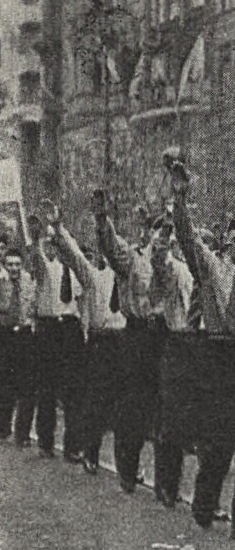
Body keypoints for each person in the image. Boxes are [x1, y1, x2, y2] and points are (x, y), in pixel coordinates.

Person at [170, 163, 235, 537]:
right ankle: (204, 505)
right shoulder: (213, 269)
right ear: (226, 242)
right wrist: (180, 201)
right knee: (217, 445)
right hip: (221, 358)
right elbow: (188, 240)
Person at [43, 200, 127, 475]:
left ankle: (127, 466)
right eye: (108, 250)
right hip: (101, 342)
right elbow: (74, 255)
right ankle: (91, 453)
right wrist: (58, 226)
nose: (111, 255)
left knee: (123, 406)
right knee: (96, 402)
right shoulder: (93, 276)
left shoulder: (129, 276)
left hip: (124, 342)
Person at [94, 192, 165, 494]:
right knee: (133, 406)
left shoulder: (177, 260)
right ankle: (127, 469)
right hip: (138, 336)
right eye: (159, 230)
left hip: (167, 337)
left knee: (165, 408)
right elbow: (111, 248)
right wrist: (102, 219)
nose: (163, 236)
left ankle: (166, 483)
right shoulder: (133, 259)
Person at [146, 214, 194, 508]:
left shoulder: (208, 268)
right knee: (172, 418)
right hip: (178, 342)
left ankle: (207, 497)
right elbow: (158, 259)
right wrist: (164, 232)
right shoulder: (172, 269)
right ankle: (167, 483)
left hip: (206, 346)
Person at [28, 211, 84, 462]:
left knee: (73, 390)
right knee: (47, 388)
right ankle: (46, 442)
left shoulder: (74, 270)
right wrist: (36, 237)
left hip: (69, 328)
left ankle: (73, 446)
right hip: (49, 328)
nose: (54, 248)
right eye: (50, 244)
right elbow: (36, 256)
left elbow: (81, 302)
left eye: (57, 243)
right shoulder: (43, 267)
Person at [0, 246, 36, 444]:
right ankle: (3, 427)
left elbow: (34, 307)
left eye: (17, 264)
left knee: (27, 386)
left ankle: (23, 434)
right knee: (5, 383)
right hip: (5, 335)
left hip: (24, 335)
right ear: (4, 265)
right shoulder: (1, 282)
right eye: (10, 264)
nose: (14, 268)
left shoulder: (30, 281)